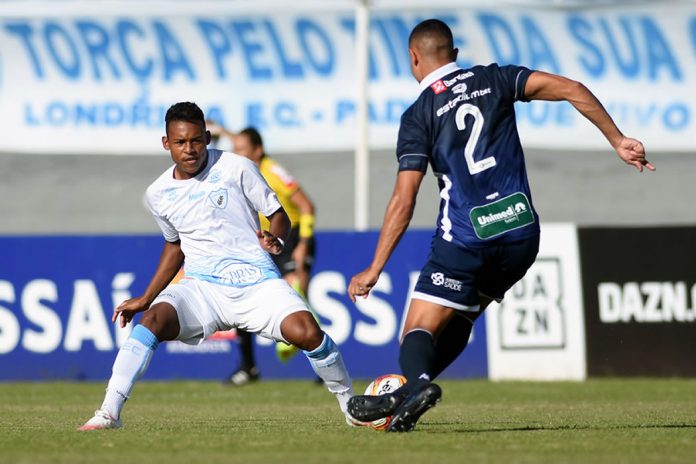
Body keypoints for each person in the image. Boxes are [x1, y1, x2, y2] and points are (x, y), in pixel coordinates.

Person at [346, 19, 655, 433]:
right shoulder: (496, 79)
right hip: (520, 235)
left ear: (413, 59)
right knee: (465, 316)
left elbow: (404, 200)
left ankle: (414, 384)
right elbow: (571, 88)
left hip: (467, 238)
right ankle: (408, 396)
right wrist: (617, 139)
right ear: (454, 55)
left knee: (418, 328)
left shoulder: (418, 115)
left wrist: (375, 267)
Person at [79, 102, 361, 430]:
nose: (190, 149)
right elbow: (175, 246)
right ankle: (109, 412)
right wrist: (145, 297)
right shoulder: (158, 194)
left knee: (309, 333)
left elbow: (278, 214)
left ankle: (351, 406)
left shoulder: (237, 167)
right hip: (203, 288)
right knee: (152, 319)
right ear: (166, 143)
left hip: (257, 282)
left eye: (197, 140)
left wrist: (277, 240)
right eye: (181, 142)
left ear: (208, 137)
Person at [206, 123, 318, 385]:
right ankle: (248, 367)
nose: (237, 154)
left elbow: (306, 206)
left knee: (298, 301)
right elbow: (241, 143)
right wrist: (222, 130)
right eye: (235, 149)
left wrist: (304, 243)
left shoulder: (273, 171)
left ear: (258, 150)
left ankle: (322, 367)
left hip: (291, 239)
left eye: (242, 149)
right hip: (261, 242)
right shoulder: (241, 170)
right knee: (242, 297)